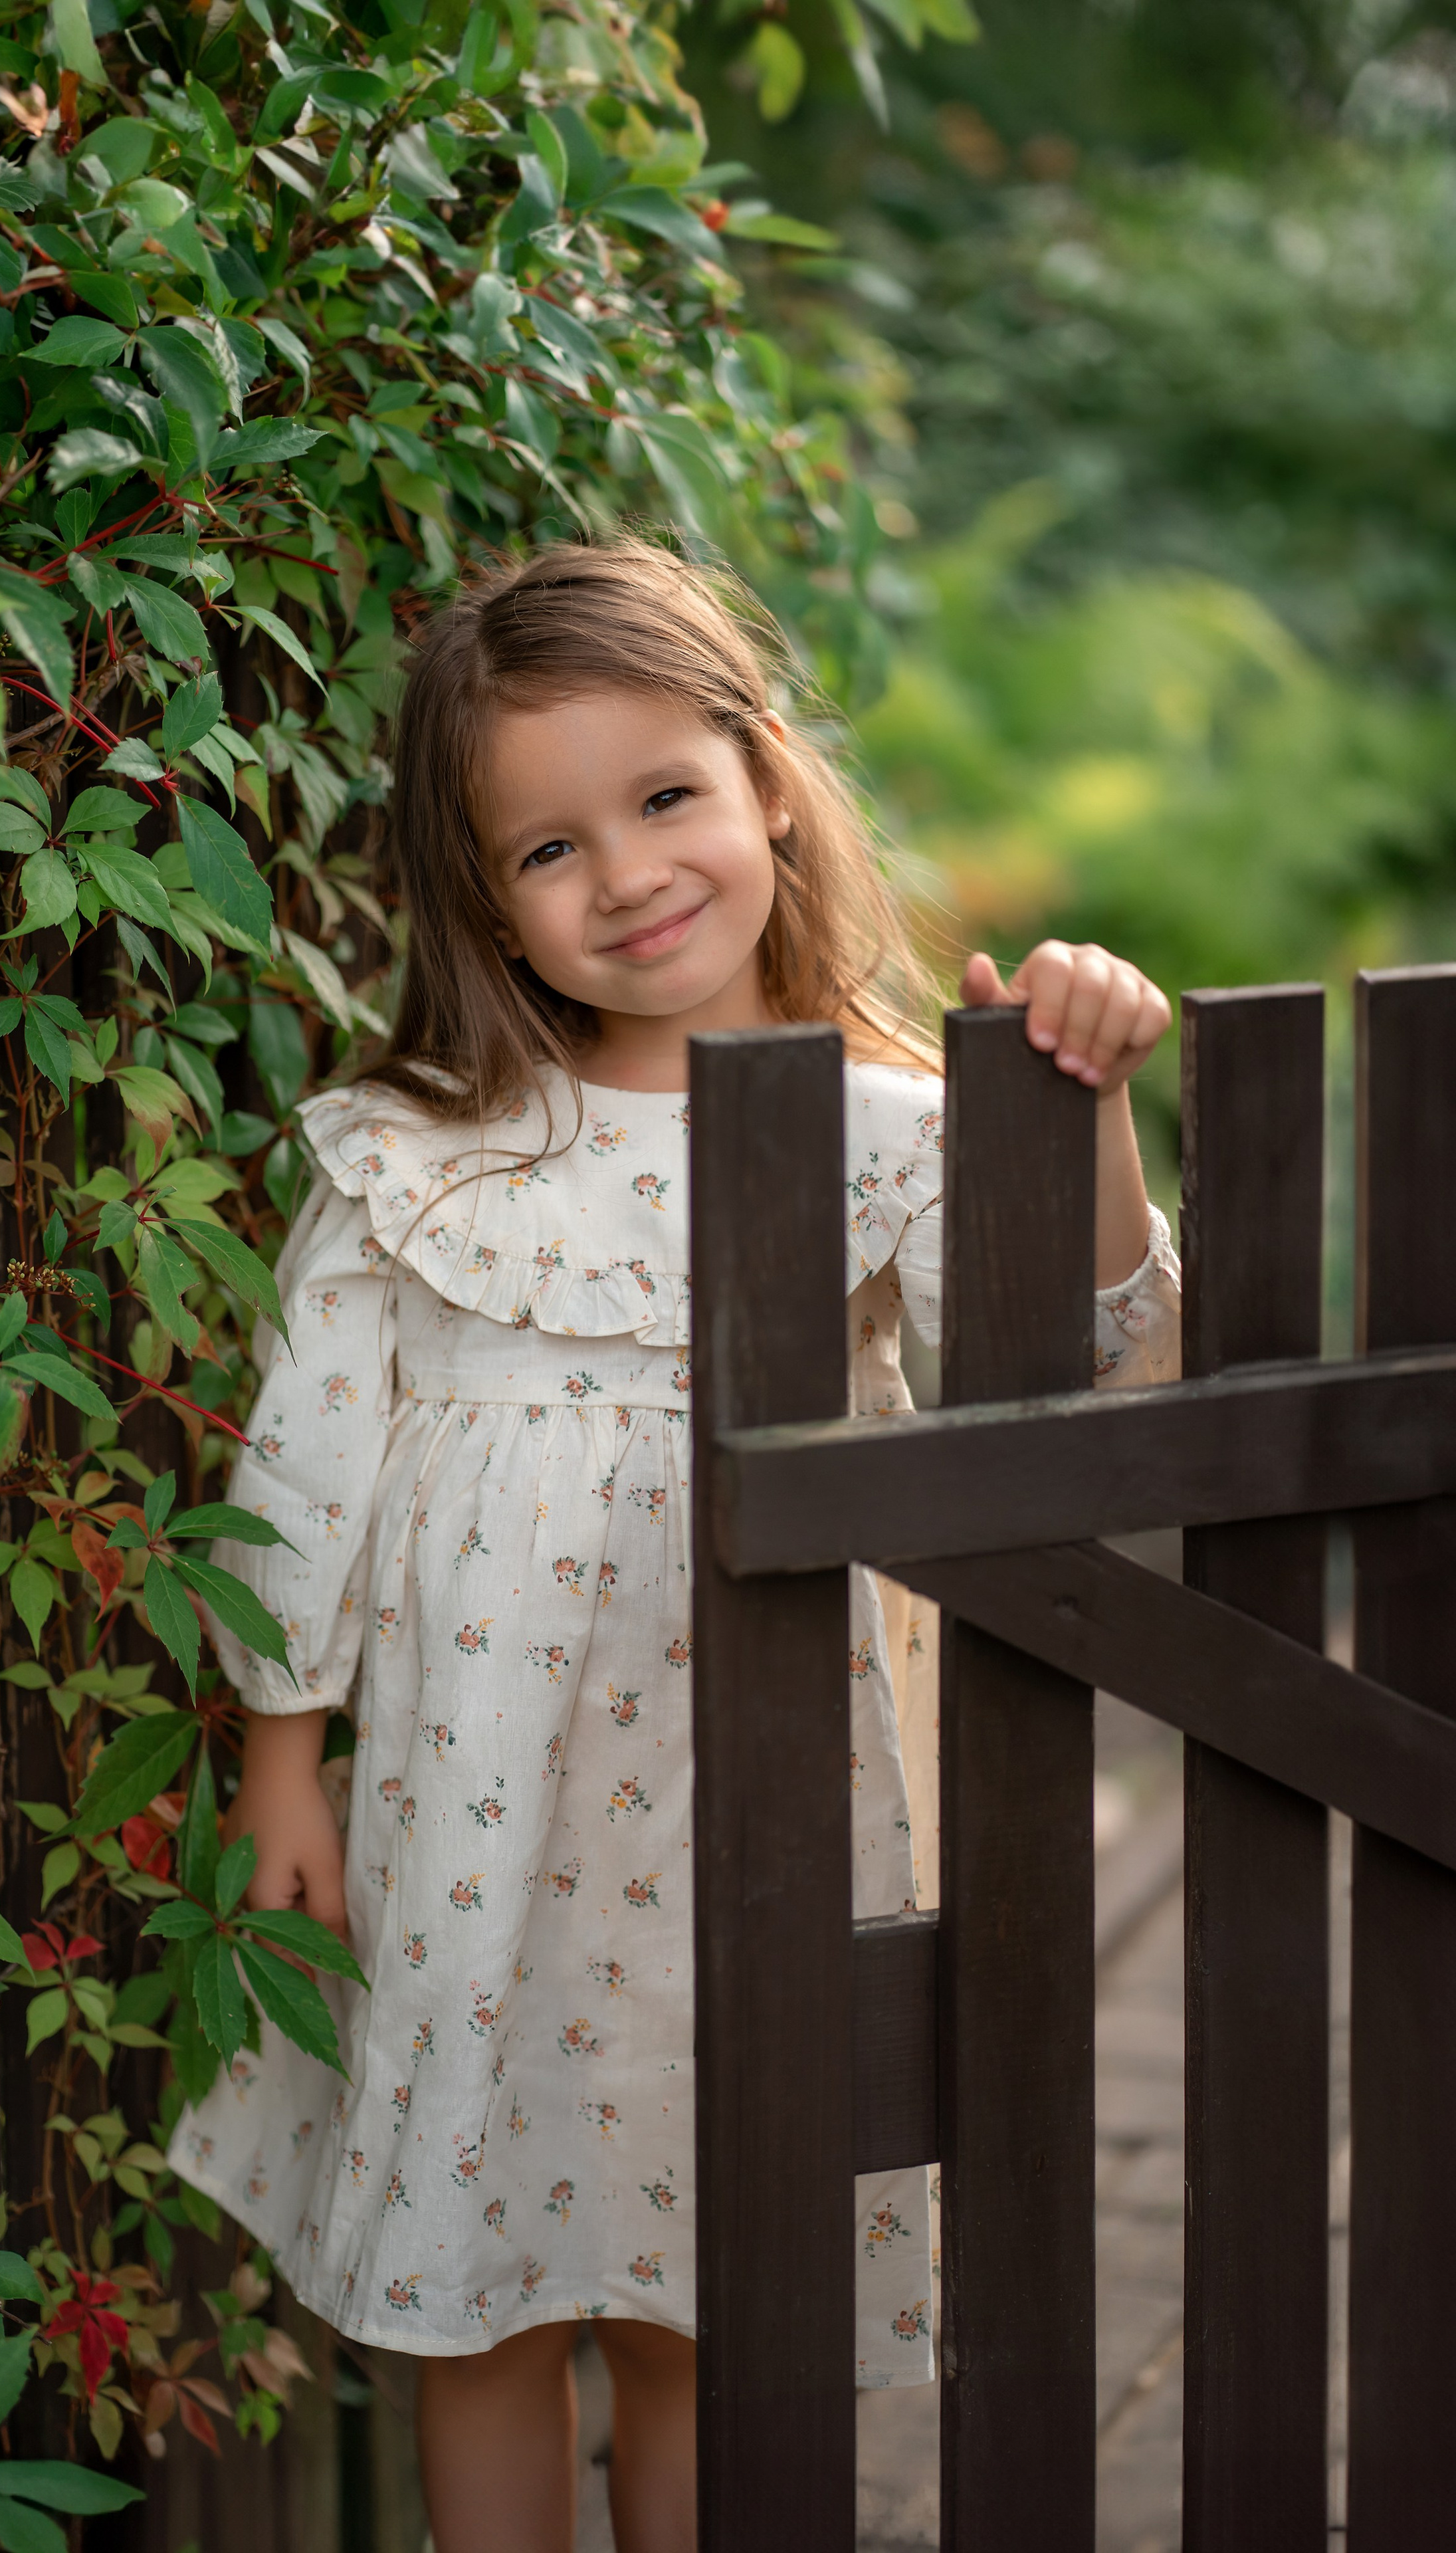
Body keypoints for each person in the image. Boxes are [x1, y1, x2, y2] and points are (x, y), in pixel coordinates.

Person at [169, 538, 1181, 2553]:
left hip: (767, 1813)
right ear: (483, 904)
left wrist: (1086, 1096)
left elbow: (1084, 1361)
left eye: (662, 799)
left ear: (767, 784)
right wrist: (282, 1759)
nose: (626, 874)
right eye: (547, 849)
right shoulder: (415, 1155)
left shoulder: (887, 1122)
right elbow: (303, 1472)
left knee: (729, 2287)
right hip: (472, 1824)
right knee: (480, 2308)